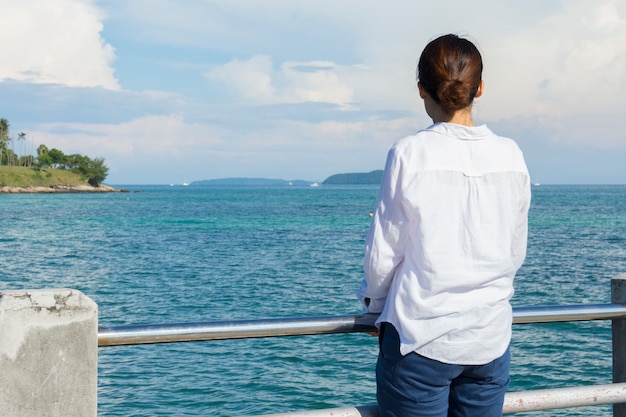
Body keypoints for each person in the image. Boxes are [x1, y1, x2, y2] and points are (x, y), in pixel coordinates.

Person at [357, 34, 531, 417]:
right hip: (488, 337)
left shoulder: (409, 153)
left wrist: (375, 308)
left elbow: (385, 252)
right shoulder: (511, 154)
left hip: (421, 340)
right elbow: (514, 251)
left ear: (421, 90)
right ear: (479, 87)